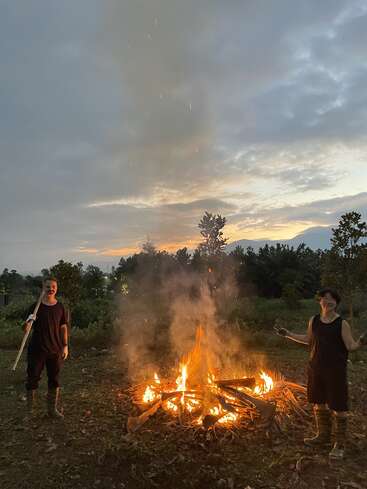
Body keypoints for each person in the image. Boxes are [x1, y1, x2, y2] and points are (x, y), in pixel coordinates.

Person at [274, 288, 367, 460]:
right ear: (320, 301)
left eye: (332, 299)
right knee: (319, 403)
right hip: (315, 369)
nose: (328, 301)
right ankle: (323, 437)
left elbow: (350, 346)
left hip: (335, 372)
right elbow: (308, 340)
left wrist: (361, 341)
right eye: (325, 298)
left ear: (336, 303)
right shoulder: (314, 320)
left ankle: (339, 444)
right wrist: (287, 334)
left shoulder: (342, 323)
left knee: (338, 407)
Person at [24, 277, 69, 418]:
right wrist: (29, 321)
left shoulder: (60, 307)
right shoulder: (35, 307)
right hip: (37, 349)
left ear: (57, 288)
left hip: (55, 350)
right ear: (43, 288)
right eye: (48, 286)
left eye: (53, 286)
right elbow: (26, 329)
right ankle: (30, 411)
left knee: (54, 379)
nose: (51, 289)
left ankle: (52, 410)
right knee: (32, 379)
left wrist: (65, 346)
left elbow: (63, 327)